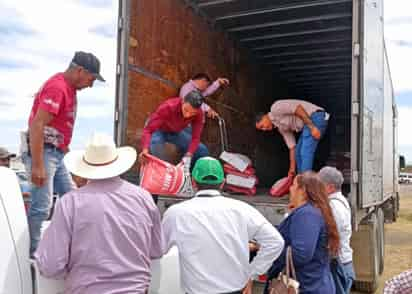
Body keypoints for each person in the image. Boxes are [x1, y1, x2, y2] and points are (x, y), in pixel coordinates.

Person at [35, 133, 163, 294]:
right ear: (117, 162)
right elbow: (156, 250)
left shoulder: (70, 203)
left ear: (86, 167)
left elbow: (50, 266)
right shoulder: (144, 198)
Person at [22, 51, 105, 255]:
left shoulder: (69, 89)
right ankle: (33, 253)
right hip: (45, 152)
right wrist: (38, 165)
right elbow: (37, 125)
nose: (91, 84)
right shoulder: (58, 87)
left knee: (72, 198)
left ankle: (68, 244)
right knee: (42, 205)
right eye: (91, 79)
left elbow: (60, 132)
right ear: (80, 71)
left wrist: (71, 160)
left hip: (56, 153)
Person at [162, 157, 284, 294]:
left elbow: (159, 251)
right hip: (237, 289)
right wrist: (252, 273)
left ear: (193, 182)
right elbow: (276, 242)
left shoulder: (175, 213)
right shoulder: (242, 209)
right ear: (223, 183)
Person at [265, 172, 340, 294]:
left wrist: (270, 249)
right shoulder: (309, 211)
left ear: (303, 190)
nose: (290, 189)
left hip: (307, 286)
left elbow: (300, 254)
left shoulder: (307, 214)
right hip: (313, 284)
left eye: (293, 185)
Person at [255, 99, 329, 175]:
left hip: (315, 117)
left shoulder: (275, 108)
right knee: (298, 152)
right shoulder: (281, 127)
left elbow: (298, 109)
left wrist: (312, 127)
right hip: (307, 126)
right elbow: (292, 146)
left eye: (262, 126)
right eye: (261, 129)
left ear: (264, 117)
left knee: (305, 151)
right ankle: (301, 180)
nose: (264, 129)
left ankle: (305, 183)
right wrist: (292, 169)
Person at [139, 90, 208, 170]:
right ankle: (163, 170)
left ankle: (187, 176)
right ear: (182, 101)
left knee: (202, 150)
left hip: (175, 131)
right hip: (158, 129)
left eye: (192, 113)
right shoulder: (168, 106)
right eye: (186, 110)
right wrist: (145, 150)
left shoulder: (199, 113)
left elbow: (195, 137)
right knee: (156, 144)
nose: (188, 115)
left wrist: (189, 154)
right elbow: (148, 130)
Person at [319, 166, 355, 293]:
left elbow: (332, 235)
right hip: (342, 263)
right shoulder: (339, 201)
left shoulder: (334, 206)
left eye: (320, 185)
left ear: (330, 187)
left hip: (338, 265)